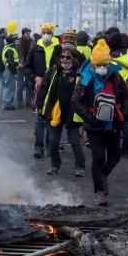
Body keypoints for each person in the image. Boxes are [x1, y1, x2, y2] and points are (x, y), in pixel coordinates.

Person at [72, 39, 128, 206]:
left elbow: (127, 96)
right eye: (99, 65)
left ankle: (103, 175)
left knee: (115, 156)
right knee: (98, 157)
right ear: (93, 63)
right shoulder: (85, 79)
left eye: (104, 65)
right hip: (94, 126)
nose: (102, 68)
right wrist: (90, 119)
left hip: (114, 124)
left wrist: (125, 114)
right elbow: (76, 101)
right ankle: (99, 190)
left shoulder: (116, 76)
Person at [42, 46, 86, 176]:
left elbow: (86, 93)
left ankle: (80, 166)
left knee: (75, 142)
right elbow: (44, 89)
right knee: (53, 141)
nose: (64, 59)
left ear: (73, 59)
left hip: (72, 113)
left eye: (68, 57)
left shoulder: (79, 74)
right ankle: (55, 166)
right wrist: (39, 105)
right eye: (62, 57)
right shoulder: (53, 71)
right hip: (55, 112)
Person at [1, 34, 20, 110]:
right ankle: (7, 104)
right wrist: (15, 73)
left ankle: (7, 103)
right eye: (16, 39)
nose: (17, 41)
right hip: (10, 70)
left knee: (8, 86)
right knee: (9, 87)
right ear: (12, 41)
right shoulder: (10, 50)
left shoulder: (9, 48)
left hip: (8, 70)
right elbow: (11, 63)